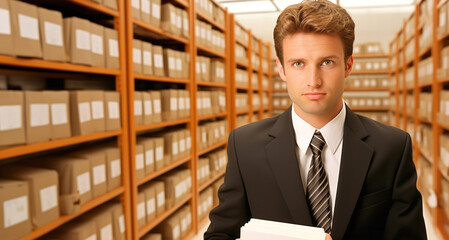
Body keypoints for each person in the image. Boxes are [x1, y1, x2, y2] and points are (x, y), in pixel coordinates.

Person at [204, 0, 427, 239]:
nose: (313, 80)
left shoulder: (392, 147)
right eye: (298, 63)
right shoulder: (245, 146)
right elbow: (221, 235)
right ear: (281, 69)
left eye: (327, 62)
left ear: (348, 66)